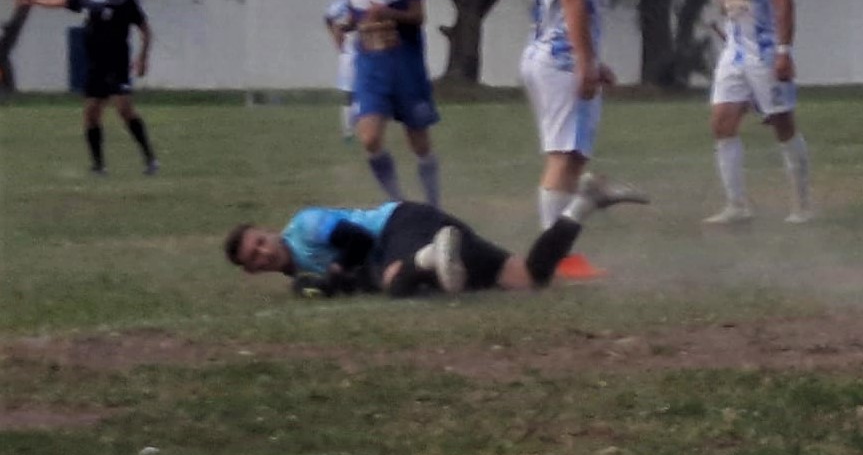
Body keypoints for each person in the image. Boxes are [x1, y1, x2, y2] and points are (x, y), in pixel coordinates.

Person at [223, 172, 646, 298]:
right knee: (529, 277)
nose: (263, 253)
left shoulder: (305, 225)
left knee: (395, 283)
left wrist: (336, 272)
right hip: (426, 236)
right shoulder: (299, 277)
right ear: (251, 271)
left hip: (400, 225)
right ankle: (584, 203)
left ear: (267, 231)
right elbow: (324, 291)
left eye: (259, 242)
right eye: (254, 258)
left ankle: (428, 258)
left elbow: (358, 240)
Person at [521, 0, 615, 281]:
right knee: (563, 157)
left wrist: (593, 59)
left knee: (570, 156)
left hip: (547, 54)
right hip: (560, 59)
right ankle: (551, 258)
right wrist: (582, 61)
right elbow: (572, 1)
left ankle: (557, 255)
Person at [704, 0, 814, 225]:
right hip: (734, 53)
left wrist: (783, 50)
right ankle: (737, 205)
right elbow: (736, 3)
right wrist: (725, 15)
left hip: (763, 52)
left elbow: (783, 1)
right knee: (721, 123)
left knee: (782, 123)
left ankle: (801, 205)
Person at [15, 0, 158, 175]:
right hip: (95, 65)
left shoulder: (125, 1)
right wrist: (33, 0)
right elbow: (62, 1)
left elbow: (145, 30)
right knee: (91, 113)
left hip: (117, 64)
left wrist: (142, 58)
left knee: (124, 109)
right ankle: (98, 166)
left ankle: (150, 159)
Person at [340, 0, 443, 206]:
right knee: (369, 139)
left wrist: (387, 13)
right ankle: (398, 201)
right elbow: (354, 15)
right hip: (370, 69)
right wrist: (345, 24)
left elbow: (417, 15)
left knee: (419, 142)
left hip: (406, 68)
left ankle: (433, 202)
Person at [323, 0, 359, 141]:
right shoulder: (340, 5)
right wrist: (335, 36)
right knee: (350, 94)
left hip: (369, 54)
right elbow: (328, 18)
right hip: (350, 54)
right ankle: (348, 132)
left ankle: (361, 127)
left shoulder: (369, 2)